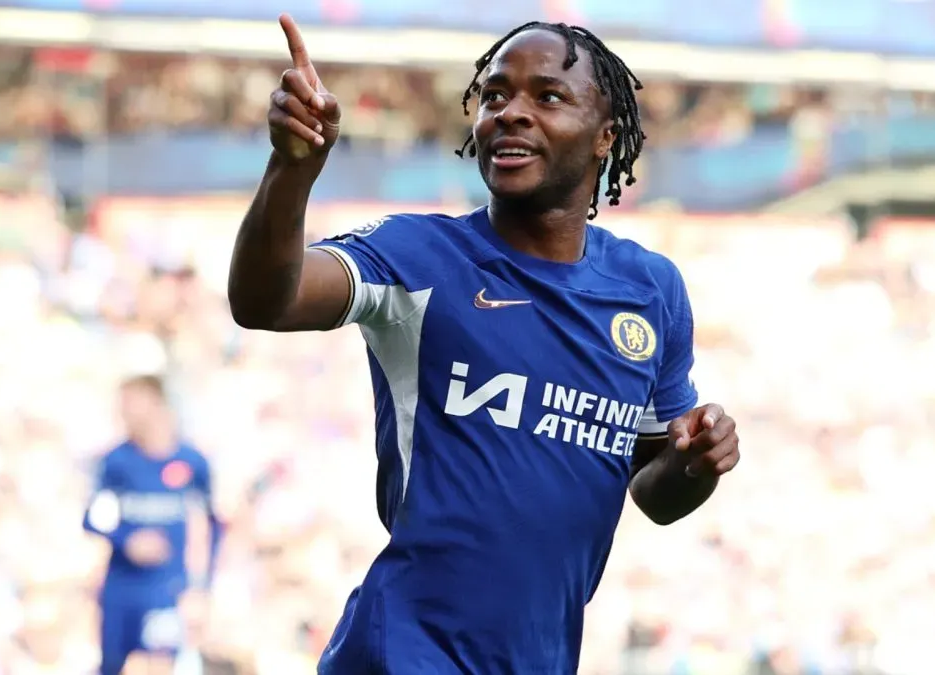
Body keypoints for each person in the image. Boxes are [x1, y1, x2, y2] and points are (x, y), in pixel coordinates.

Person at [228, 16, 742, 674]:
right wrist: (291, 170)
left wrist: (696, 460)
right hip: (402, 653)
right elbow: (265, 300)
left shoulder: (650, 291)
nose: (510, 114)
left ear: (604, 137)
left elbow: (654, 491)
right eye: (495, 96)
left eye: (547, 97)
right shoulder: (417, 257)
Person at [83, 375, 223, 675]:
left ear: (157, 404)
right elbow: (93, 518)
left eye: (132, 404)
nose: (125, 413)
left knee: (159, 665)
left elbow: (214, 524)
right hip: (121, 587)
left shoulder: (192, 462)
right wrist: (126, 539)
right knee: (112, 665)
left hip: (166, 587)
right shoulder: (116, 462)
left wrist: (202, 586)